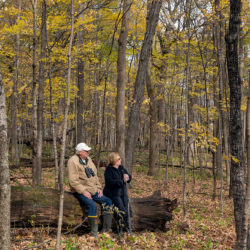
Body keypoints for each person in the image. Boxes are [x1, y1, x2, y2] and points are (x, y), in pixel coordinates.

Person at [67, 142, 113, 237]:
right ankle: (94, 233)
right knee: (92, 205)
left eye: (88, 151)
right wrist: (83, 191)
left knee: (107, 201)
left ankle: (106, 229)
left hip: (93, 189)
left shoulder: (89, 160)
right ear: (80, 152)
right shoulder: (73, 161)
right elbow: (73, 181)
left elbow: (94, 176)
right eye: (86, 151)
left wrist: (99, 188)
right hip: (80, 190)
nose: (88, 152)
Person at [103, 152, 132, 235]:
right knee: (121, 210)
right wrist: (122, 181)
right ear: (114, 160)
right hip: (113, 193)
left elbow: (129, 177)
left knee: (129, 210)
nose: (120, 160)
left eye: (120, 158)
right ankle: (120, 229)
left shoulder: (121, 168)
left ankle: (128, 229)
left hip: (123, 193)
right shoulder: (109, 170)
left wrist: (128, 177)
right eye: (119, 159)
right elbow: (109, 183)